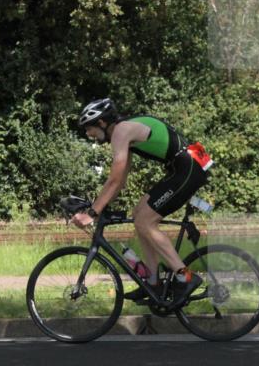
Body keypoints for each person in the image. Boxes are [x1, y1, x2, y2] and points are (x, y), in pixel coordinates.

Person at [71, 98, 212, 304]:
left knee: (145, 221)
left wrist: (92, 213)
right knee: (139, 215)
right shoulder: (122, 133)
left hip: (188, 168)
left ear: (101, 123)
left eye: (89, 128)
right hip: (182, 168)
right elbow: (119, 181)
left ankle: (185, 277)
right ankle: (153, 283)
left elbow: (114, 179)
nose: (88, 134)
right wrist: (99, 207)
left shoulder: (121, 131)